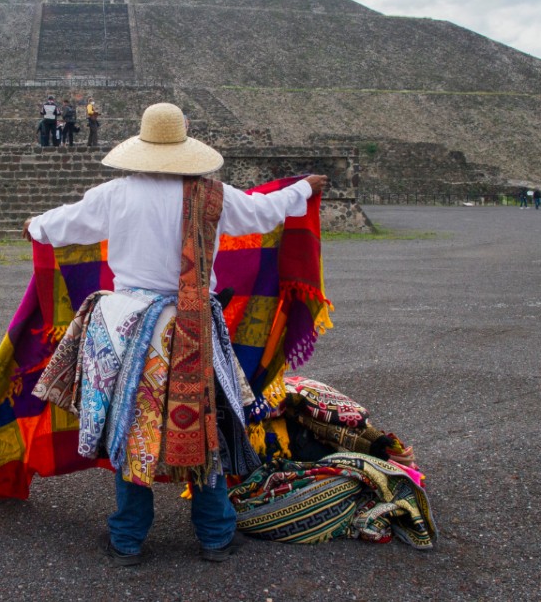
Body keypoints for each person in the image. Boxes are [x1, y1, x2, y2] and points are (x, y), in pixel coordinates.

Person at [22, 103, 328, 566]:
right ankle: (215, 535)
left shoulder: (114, 194)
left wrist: (34, 225)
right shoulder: (213, 196)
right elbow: (266, 213)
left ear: (142, 147)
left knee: (130, 428)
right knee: (203, 427)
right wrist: (304, 188)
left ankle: (127, 539)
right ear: (186, 147)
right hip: (191, 327)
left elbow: (61, 223)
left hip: (126, 329)